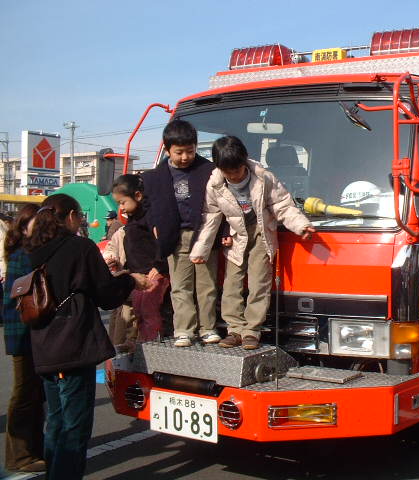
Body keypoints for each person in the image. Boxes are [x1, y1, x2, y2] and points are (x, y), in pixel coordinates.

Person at [26, 194, 148, 480]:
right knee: (75, 427)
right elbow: (106, 295)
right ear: (70, 216)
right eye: (80, 216)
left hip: (43, 346)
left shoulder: (33, 250)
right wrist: (129, 279)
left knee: (56, 421)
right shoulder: (79, 247)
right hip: (72, 346)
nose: (81, 221)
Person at [191, 136, 315, 350]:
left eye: (237, 171)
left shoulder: (263, 178)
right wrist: (200, 249)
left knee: (259, 283)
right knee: (232, 284)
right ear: (219, 168)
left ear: (245, 161)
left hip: (261, 234)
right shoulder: (215, 184)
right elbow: (210, 217)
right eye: (228, 172)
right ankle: (234, 330)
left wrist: (301, 225)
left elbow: (282, 205)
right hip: (236, 235)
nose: (233, 176)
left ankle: (251, 331)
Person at [141, 119, 229, 347]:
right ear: (167, 149)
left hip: (205, 236)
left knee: (207, 285)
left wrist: (224, 232)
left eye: (190, 151)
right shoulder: (153, 177)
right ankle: (184, 331)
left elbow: (224, 203)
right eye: (179, 152)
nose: (185, 157)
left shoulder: (209, 170)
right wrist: (154, 225)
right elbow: (147, 207)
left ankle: (208, 328)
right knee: (181, 286)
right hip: (175, 237)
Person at [3, 204, 45, 473]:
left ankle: (32, 451)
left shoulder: (23, 252)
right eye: (36, 223)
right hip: (23, 332)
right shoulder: (24, 255)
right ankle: (19, 457)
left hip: (26, 332)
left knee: (33, 394)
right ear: (25, 226)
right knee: (24, 395)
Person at [111, 174, 170, 343]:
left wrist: (158, 266)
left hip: (152, 272)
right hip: (138, 274)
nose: (121, 208)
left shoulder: (150, 215)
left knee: (149, 310)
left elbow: (162, 241)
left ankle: (152, 343)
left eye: (123, 202)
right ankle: (141, 342)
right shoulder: (133, 218)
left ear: (137, 196)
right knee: (139, 311)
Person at [103, 227, 138, 353]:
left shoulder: (121, 232)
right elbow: (110, 250)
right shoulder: (122, 232)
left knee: (121, 319)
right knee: (125, 322)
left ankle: (116, 351)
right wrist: (111, 258)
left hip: (125, 286)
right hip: (130, 286)